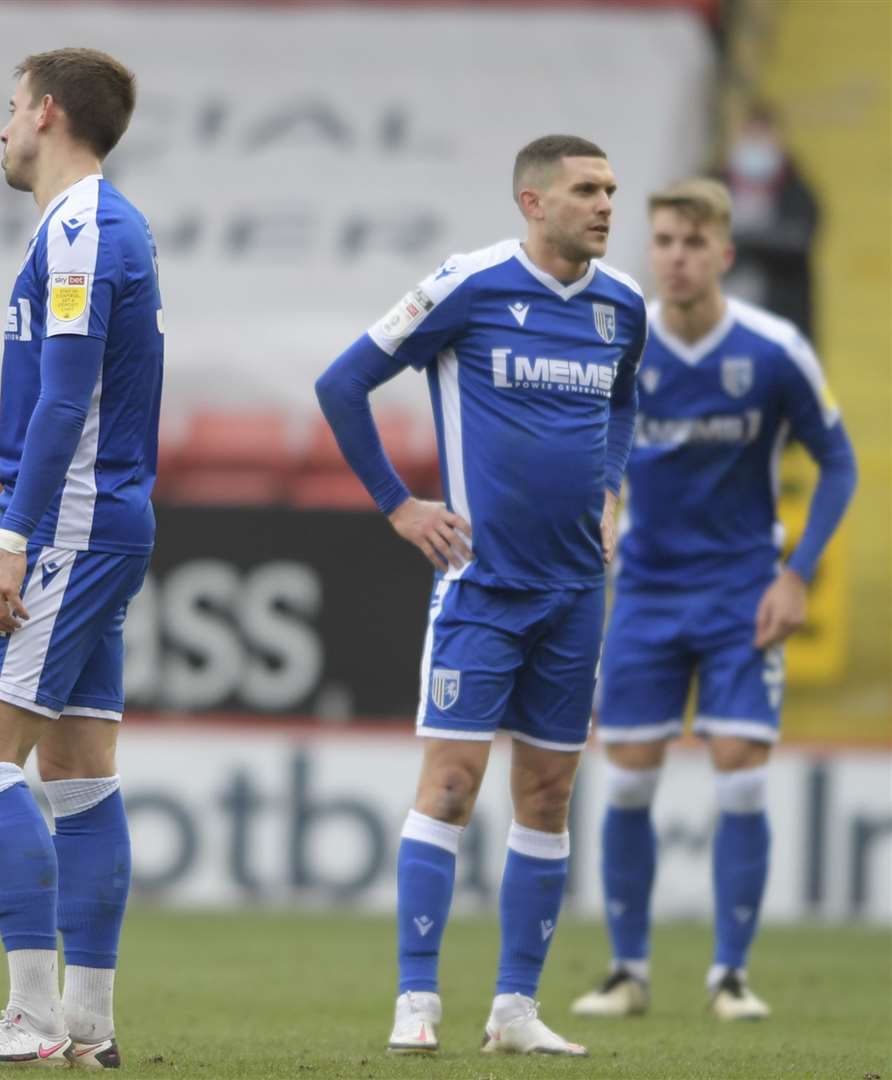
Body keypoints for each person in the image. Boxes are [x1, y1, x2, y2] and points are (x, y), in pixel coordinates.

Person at [316, 135, 646, 1057]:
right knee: (454, 784)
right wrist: (398, 504)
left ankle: (515, 1010)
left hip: (579, 589)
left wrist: (611, 483)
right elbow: (343, 383)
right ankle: (416, 1001)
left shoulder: (623, 307)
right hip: (483, 588)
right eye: (587, 189)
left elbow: (622, 403)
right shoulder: (469, 283)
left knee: (547, 793)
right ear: (533, 203)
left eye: (612, 189)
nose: (606, 205)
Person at [0, 48, 162, 1069]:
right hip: (102, 518)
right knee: (77, 775)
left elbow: (66, 400)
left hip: (68, 521)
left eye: (12, 107)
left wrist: (11, 547)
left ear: (50, 113)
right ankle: (91, 1027)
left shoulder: (82, 231)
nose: (3, 127)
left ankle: (29, 1020)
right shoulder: (111, 224)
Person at [570, 178, 855, 1022]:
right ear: (648, 250)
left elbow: (838, 462)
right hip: (648, 594)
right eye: (662, 241)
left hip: (741, 594)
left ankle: (730, 974)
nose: (676, 257)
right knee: (626, 782)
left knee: (737, 772)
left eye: (693, 243)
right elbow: (589, 451)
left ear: (724, 254)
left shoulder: (772, 350)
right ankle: (627, 971)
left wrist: (796, 572)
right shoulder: (620, 345)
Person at [721, 103, 820, 339]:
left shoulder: (797, 192)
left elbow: (797, 240)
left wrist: (743, 240)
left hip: (780, 324)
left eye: (762, 136)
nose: (755, 144)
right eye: (750, 135)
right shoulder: (711, 186)